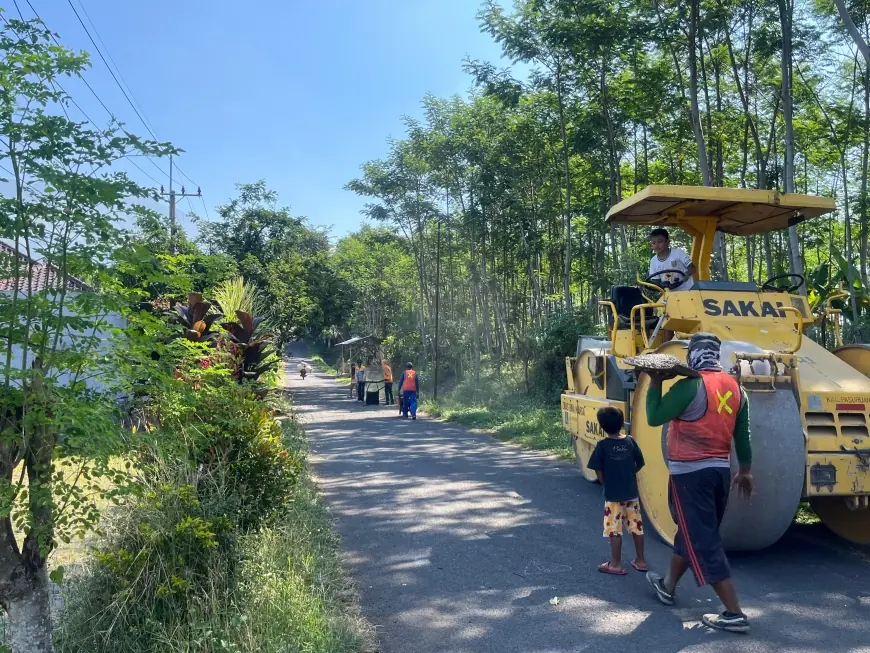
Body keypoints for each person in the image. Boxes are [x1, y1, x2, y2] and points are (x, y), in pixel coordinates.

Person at [644, 332, 753, 634]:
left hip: (689, 476)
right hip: (720, 474)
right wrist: (745, 470)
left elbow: (653, 417)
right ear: (716, 356)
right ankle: (667, 586)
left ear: (692, 355)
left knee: (703, 541)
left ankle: (734, 613)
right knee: (694, 532)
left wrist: (655, 382)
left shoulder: (689, 386)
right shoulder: (737, 389)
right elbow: (742, 436)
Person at [586, 406, 647, 576]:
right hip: (631, 493)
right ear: (622, 424)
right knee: (636, 526)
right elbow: (640, 463)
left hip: (613, 495)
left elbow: (597, 469)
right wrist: (629, 474)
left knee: (614, 529)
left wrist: (606, 482)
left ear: (602, 426)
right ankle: (641, 561)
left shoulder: (603, 446)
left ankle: (616, 564)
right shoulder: (631, 441)